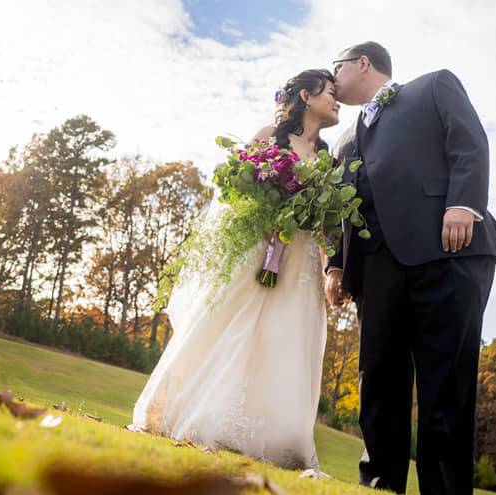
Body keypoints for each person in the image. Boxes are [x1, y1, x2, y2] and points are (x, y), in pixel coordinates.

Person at [325, 41, 496, 495]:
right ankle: (379, 484)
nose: (332, 80)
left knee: (445, 375)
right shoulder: (345, 138)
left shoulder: (434, 86)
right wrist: (335, 263)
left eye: (337, 68)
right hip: (377, 267)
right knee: (379, 375)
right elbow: (338, 207)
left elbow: (470, 142)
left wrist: (463, 204)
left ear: (362, 63)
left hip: (447, 249)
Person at [129, 69, 341, 471]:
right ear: (306, 96)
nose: (337, 103)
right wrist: (265, 218)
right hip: (257, 247)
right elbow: (234, 192)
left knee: (287, 340)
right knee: (231, 325)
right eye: (331, 93)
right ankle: (200, 413)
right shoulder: (268, 135)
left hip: (299, 260)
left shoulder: (330, 157)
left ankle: (280, 437)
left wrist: (331, 263)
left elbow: (329, 222)